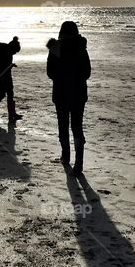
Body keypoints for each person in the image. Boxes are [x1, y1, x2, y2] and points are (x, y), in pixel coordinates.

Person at [47, 21, 91, 175]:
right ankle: (79, 163)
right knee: (77, 127)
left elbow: (50, 73)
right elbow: (87, 73)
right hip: (78, 93)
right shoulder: (81, 48)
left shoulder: (55, 48)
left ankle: (65, 156)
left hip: (60, 93)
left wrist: (62, 77)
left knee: (63, 125)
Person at [0, 36, 22, 122]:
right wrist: (1, 69)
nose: (15, 53)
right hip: (1, 77)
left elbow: (4, 64)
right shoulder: (3, 51)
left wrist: (10, 66)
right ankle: (11, 115)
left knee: (5, 94)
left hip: (5, 75)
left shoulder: (8, 51)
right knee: (7, 93)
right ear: (12, 48)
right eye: (15, 51)